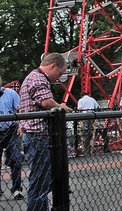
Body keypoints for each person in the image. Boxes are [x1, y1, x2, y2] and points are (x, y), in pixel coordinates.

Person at [18, 53, 72, 211]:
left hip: (37, 137)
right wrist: (61, 107)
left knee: (44, 182)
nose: (58, 78)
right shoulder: (39, 78)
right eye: (60, 73)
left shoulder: (34, 77)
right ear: (53, 66)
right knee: (40, 184)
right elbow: (46, 101)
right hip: (37, 137)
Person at [0, 76, 23, 200]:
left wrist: (21, 125)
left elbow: (20, 110)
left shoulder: (11, 93)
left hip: (11, 130)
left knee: (16, 159)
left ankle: (17, 189)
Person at [74, 90, 99, 158]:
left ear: (81, 95)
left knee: (84, 133)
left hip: (84, 117)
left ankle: (85, 149)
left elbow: (80, 109)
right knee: (92, 132)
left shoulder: (80, 100)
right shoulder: (92, 99)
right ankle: (91, 148)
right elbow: (97, 107)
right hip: (92, 116)